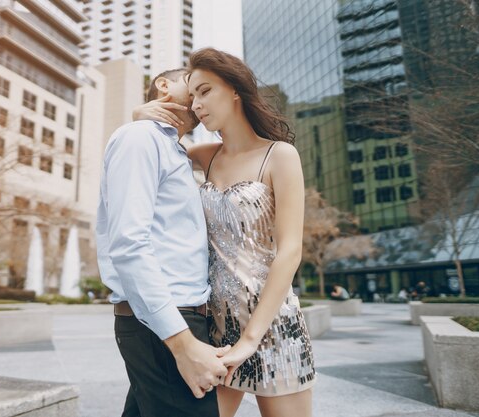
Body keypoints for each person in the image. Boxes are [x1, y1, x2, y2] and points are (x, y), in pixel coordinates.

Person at [135, 48, 315, 417]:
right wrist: (141, 116)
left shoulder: (279, 155)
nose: (196, 105)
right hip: (213, 329)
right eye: (192, 97)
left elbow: (290, 252)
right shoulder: (203, 155)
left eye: (205, 91)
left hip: (273, 325)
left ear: (234, 89)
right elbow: (149, 150)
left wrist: (251, 339)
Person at [96, 68, 229, 417]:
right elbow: (128, 243)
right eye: (193, 83)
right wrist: (182, 344)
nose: (202, 94)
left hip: (173, 319)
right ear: (164, 85)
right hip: (166, 322)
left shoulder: (175, 148)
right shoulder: (141, 138)